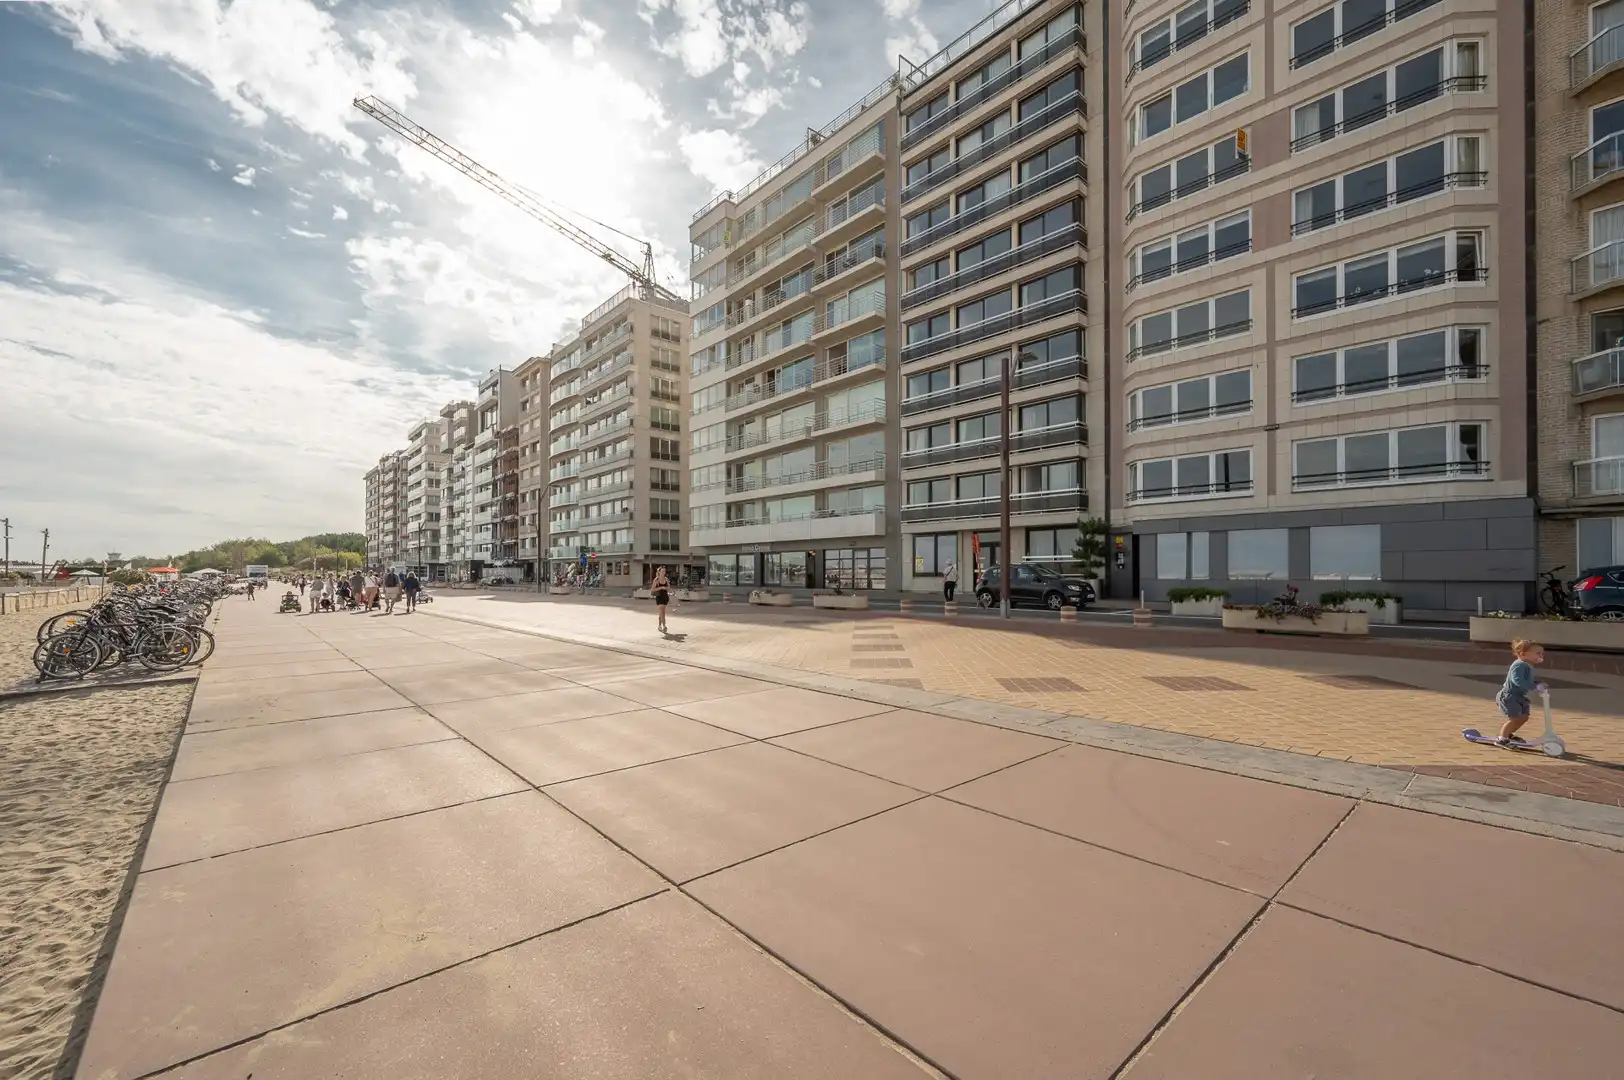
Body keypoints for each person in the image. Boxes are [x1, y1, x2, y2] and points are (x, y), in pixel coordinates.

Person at [1495, 638, 1547, 746]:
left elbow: (1527, 679)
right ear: (1523, 654)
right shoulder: (1519, 665)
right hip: (1509, 696)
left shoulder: (1528, 665)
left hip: (1519, 696)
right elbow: (1518, 681)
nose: (1541, 655)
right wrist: (1534, 686)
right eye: (1538, 653)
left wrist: (1537, 683)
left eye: (1542, 653)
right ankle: (1502, 739)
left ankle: (1508, 734)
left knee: (1523, 717)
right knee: (1515, 718)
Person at [651, 566, 671, 634]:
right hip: (659, 597)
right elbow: (652, 590)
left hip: (665, 597)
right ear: (659, 572)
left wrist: (667, 589)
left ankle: (659, 625)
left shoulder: (666, 579)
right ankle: (664, 626)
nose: (664, 572)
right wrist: (661, 587)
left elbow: (669, 587)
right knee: (662, 613)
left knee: (661, 613)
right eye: (662, 571)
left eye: (664, 571)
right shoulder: (656, 580)